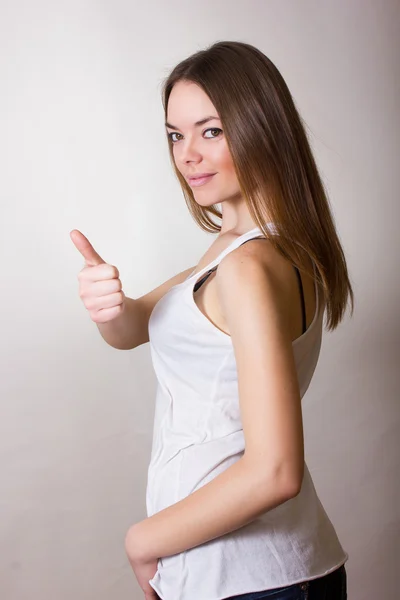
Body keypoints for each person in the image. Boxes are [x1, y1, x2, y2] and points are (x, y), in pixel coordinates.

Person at [71, 40, 353, 600]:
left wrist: (142, 540)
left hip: (250, 580)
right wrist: (108, 305)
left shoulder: (248, 266)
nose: (187, 154)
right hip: (264, 573)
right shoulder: (246, 250)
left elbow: (275, 470)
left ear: (261, 129)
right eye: (176, 135)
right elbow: (134, 328)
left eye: (211, 131)